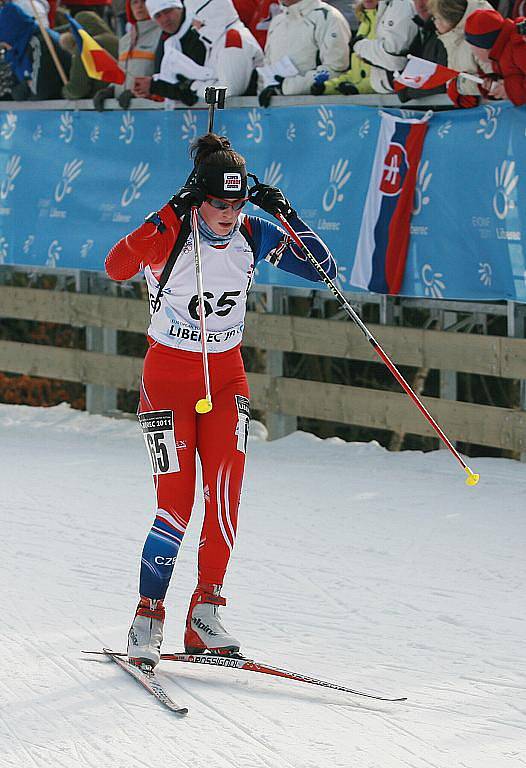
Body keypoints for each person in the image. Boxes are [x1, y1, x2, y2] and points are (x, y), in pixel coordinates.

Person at [105, 133, 337, 668]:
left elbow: (323, 267)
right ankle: (149, 614)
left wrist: (289, 214)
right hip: (167, 378)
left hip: (226, 376)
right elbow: (117, 264)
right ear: (198, 198)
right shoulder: (170, 232)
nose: (229, 215)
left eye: (237, 204)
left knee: (226, 498)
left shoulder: (253, 233)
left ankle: (204, 612)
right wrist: (171, 209)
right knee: (176, 504)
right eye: (219, 205)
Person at [133, 0, 262, 104]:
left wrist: (195, 87)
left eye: (197, 19)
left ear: (208, 15)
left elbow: (227, 94)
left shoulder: (233, 39)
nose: (195, 26)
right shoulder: (215, 43)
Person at [258, 0, 351, 106]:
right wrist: (268, 87)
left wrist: (286, 87)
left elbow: (337, 69)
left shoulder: (328, 17)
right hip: (277, 112)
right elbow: (268, 68)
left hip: (319, 110)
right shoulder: (277, 22)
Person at [93, 0, 161, 110]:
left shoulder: (161, 35)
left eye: (144, 1)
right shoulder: (125, 40)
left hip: (151, 109)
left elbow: (163, 75)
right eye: (135, 2)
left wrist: (139, 93)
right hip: (124, 111)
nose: (139, 6)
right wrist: (111, 89)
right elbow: (123, 72)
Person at [427, 0, 493, 106]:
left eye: (435, 18)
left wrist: (458, 85)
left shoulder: (478, 37)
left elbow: (493, 80)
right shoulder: (453, 38)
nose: (434, 23)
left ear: (447, 20)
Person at [0, 1, 71, 100]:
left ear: (11, 34)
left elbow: (39, 91)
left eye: (5, 43)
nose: (6, 49)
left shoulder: (40, 42)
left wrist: (24, 88)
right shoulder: (16, 49)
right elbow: (14, 92)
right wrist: (25, 85)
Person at [311, 0, 378, 95]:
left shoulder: (390, 25)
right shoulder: (365, 22)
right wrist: (328, 87)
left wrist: (358, 89)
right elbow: (356, 74)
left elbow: (389, 75)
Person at [351, 0, 417, 93]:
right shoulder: (367, 19)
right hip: (385, 93)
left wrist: (360, 47)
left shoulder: (401, 5)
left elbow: (395, 61)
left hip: (405, 94)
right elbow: (357, 72)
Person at [464, 7, 526, 104]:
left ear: (483, 47)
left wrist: (508, 90)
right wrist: (496, 83)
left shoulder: (519, 47)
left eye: (473, 48)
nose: (473, 53)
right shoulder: (503, 52)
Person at [59, 10, 118, 99]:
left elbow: (78, 89)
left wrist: (66, 91)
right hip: (123, 99)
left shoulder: (85, 46)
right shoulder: (119, 41)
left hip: (99, 104)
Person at [396, 0, 448, 102]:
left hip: (449, 112)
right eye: (416, 0)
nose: (420, 4)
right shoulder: (421, 33)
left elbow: (444, 81)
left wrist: (407, 91)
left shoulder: (445, 33)